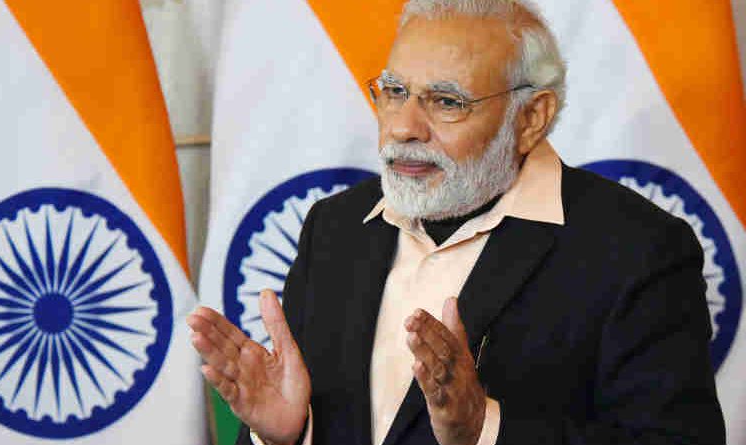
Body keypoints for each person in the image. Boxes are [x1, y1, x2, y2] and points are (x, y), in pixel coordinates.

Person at [187, 1, 726, 444]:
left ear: (530, 118)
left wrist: (486, 429)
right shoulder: (336, 228)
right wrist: (285, 435)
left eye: (446, 101)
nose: (403, 128)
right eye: (395, 92)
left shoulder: (637, 248)